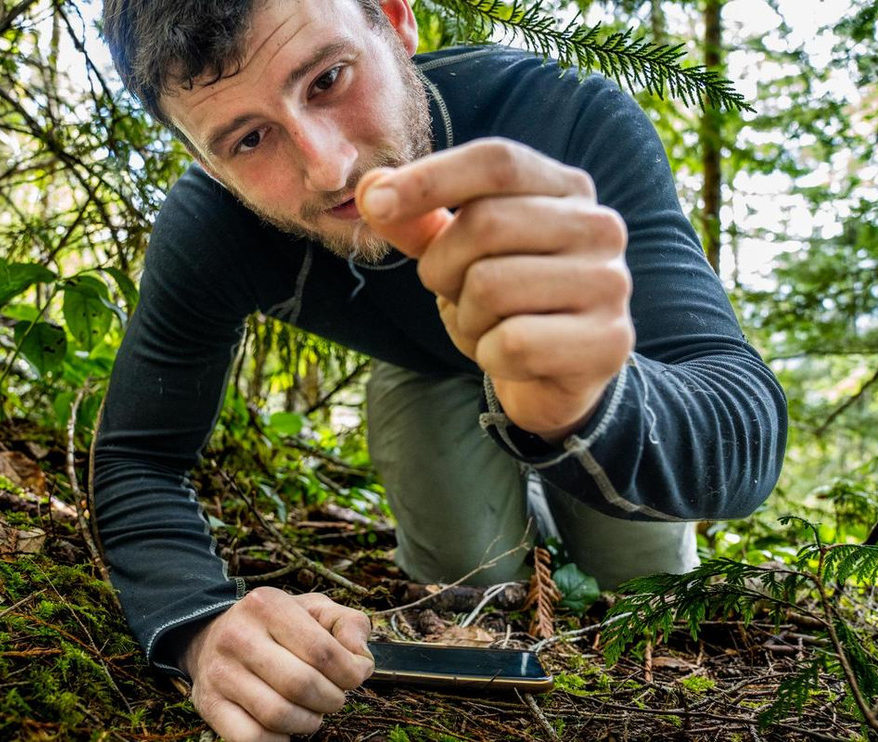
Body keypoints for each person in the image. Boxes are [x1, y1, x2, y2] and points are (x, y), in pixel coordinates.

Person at [93, 0, 788, 739]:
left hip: (608, 367)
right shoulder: (210, 227)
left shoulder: (562, 117)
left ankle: (555, 477)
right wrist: (199, 626)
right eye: (250, 139)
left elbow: (740, 423)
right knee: (468, 585)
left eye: (327, 79)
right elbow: (139, 455)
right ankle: (524, 512)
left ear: (395, 22)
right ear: (207, 162)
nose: (328, 167)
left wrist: (587, 394)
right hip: (423, 376)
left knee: (652, 588)